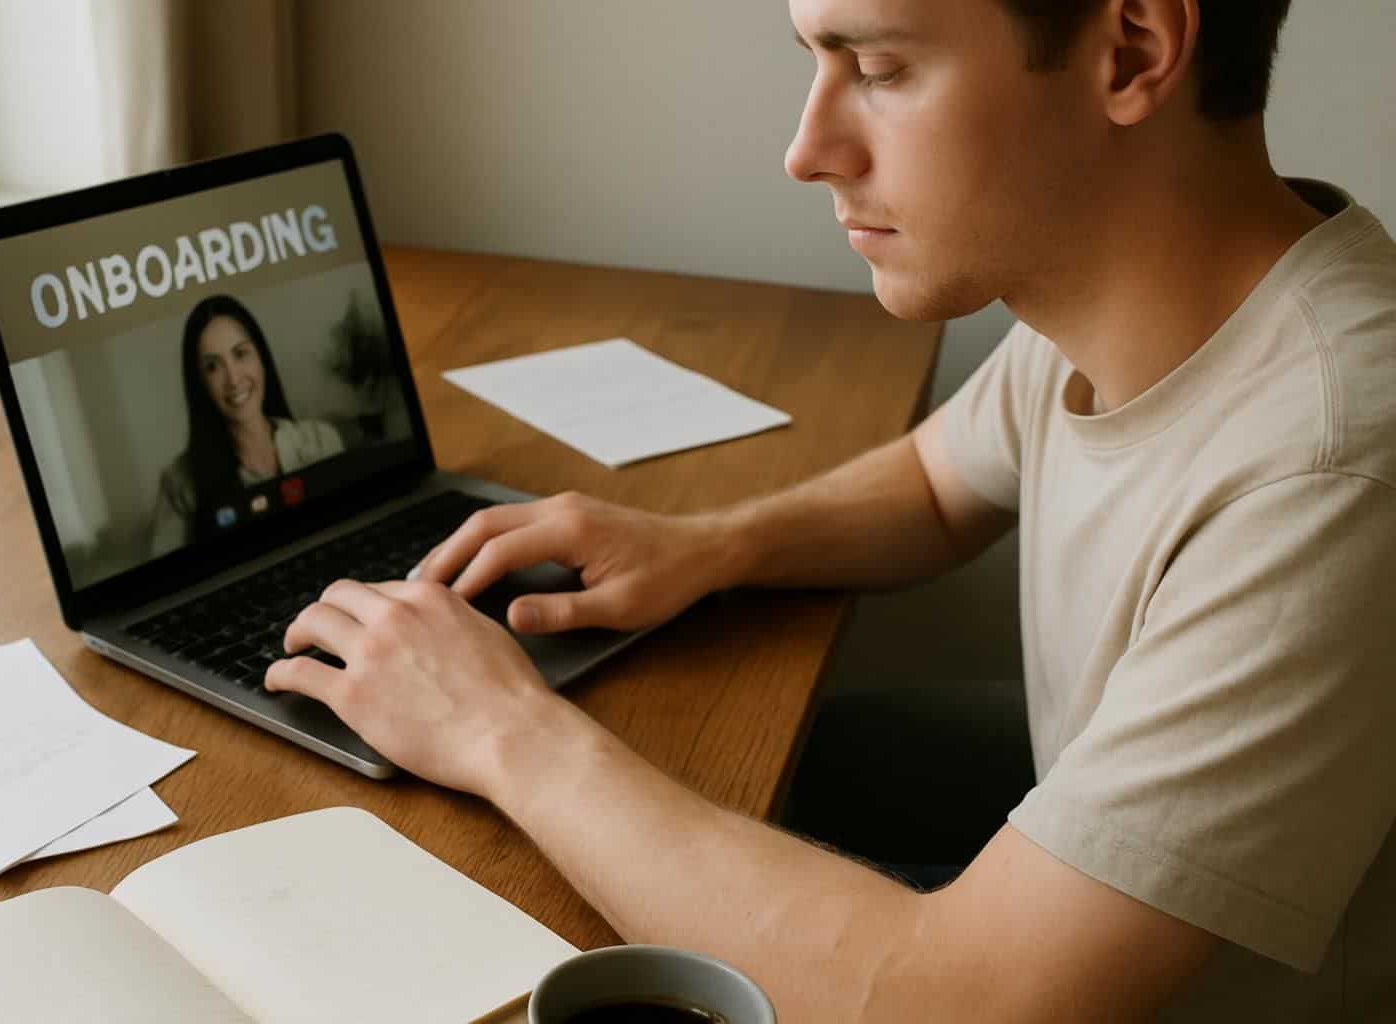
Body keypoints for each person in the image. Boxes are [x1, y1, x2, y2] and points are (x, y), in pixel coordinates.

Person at [264, 1, 1396, 1019]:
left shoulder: (1328, 465)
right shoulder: (1120, 288)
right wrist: (707, 544)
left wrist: (497, 729)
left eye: (882, 68)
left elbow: (965, 1006)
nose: (807, 150)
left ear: (1133, 51)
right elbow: (940, 483)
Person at [151, 294, 344, 555]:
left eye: (240, 354)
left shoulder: (322, 440)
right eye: (212, 367)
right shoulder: (179, 483)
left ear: (261, 357)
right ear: (200, 384)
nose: (233, 379)